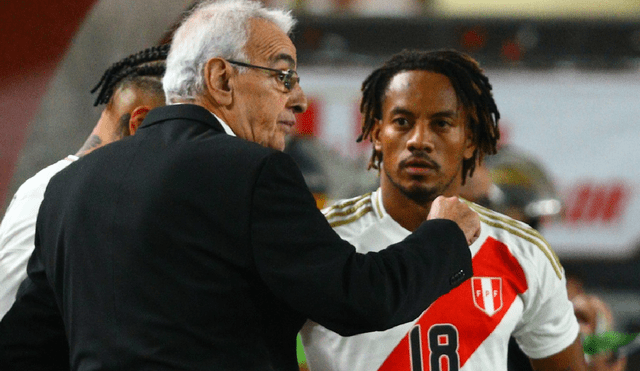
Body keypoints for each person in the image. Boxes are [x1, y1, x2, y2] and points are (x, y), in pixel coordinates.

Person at [0, 1, 481, 370]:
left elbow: (23, 348)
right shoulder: (250, 172)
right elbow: (361, 297)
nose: (297, 97)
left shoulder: (68, 186)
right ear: (220, 78)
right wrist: (444, 236)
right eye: (283, 74)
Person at [300, 49, 587, 371]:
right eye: (402, 122)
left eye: (441, 124)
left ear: (469, 141)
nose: (419, 140)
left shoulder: (523, 250)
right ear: (377, 134)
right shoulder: (319, 236)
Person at [0, 45, 168, 320]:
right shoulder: (52, 197)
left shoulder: (68, 192)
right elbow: (11, 317)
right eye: (181, 130)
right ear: (140, 123)